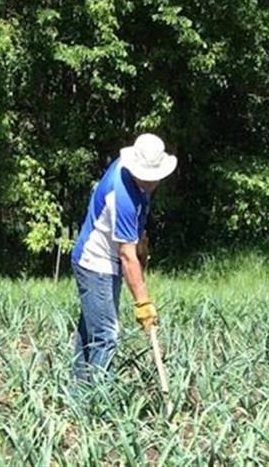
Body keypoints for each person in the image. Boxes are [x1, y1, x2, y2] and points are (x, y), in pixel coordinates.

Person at [70, 133, 177, 382]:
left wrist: (142, 242)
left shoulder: (139, 180)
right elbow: (127, 255)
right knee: (106, 335)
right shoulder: (123, 195)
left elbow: (134, 238)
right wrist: (143, 303)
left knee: (91, 330)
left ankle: (77, 394)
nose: (153, 182)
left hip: (110, 259)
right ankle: (95, 402)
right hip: (95, 262)